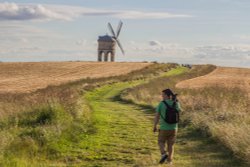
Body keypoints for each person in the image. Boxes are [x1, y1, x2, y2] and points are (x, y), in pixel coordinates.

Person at [153, 88, 181, 165]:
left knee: (160, 141)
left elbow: (157, 117)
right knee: (171, 145)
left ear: (167, 95)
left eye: (163, 95)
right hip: (174, 128)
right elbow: (179, 113)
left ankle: (164, 154)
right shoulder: (176, 103)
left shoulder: (161, 104)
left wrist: (155, 126)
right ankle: (170, 161)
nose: (162, 96)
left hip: (164, 128)